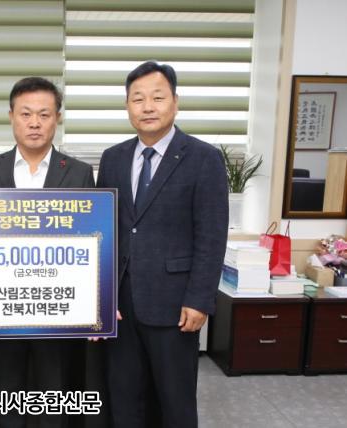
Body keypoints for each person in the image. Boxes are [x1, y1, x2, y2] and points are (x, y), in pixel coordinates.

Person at [96, 61, 228, 427]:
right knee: (124, 398)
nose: (148, 107)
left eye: (158, 97)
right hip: (120, 306)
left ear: (175, 102)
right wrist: (100, 296)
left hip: (175, 305)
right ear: (128, 106)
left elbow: (212, 235)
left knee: (175, 403)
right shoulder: (113, 158)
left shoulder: (203, 158)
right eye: (138, 99)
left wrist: (200, 299)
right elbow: (102, 230)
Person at [0, 77, 95, 427]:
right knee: (8, 397)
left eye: (44, 114)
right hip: (4, 311)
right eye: (26, 114)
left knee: (55, 401)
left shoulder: (79, 173)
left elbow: (92, 241)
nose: (35, 123)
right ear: (11, 116)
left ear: (58, 118)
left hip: (59, 313)